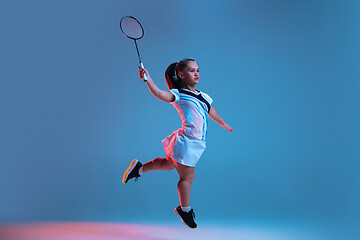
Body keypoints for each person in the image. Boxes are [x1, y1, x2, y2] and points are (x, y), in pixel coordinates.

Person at [122, 58, 233, 229]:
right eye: (191, 70)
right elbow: (160, 94)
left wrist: (222, 122)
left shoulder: (202, 96)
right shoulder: (178, 94)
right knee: (187, 177)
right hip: (187, 142)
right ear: (180, 74)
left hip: (194, 143)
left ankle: (139, 168)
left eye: (197, 70)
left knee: (167, 164)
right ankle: (184, 210)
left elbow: (211, 110)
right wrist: (148, 79)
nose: (196, 73)